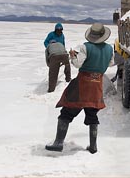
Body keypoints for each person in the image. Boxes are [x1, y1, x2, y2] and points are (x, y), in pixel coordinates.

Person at [45, 23, 113, 154]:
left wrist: (72, 56)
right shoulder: (109, 49)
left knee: (66, 113)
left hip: (83, 85)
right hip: (97, 85)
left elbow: (77, 64)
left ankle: (58, 143)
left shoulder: (84, 47)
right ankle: (93, 147)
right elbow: (110, 63)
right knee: (92, 114)